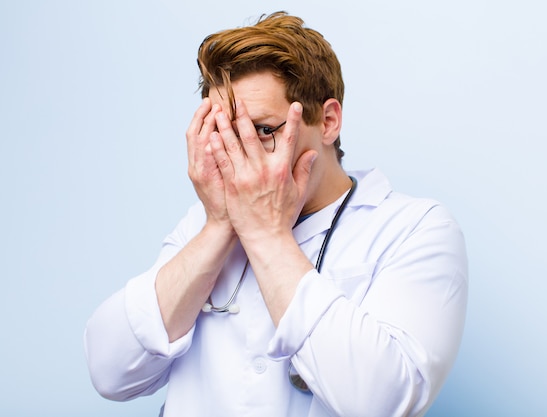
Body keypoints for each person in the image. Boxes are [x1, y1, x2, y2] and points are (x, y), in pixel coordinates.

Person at [84, 11, 468, 417]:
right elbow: (111, 372)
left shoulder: (414, 227)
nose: (239, 152)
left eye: (262, 130)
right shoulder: (203, 222)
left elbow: (382, 401)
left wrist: (266, 234)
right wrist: (220, 226)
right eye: (223, 133)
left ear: (329, 121)